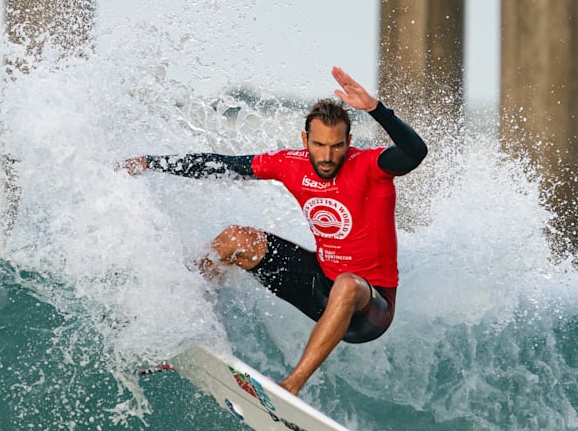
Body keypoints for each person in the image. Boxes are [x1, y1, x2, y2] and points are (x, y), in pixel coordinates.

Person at [120, 67, 427, 396]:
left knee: (348, 284)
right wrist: (150, 163)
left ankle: (291, 386)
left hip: (369, 307)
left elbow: (415, 152)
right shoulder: (290, 163)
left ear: (349, 142)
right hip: (319, 286)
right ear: (304, 140)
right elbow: (221, 164)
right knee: (235, 239)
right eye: (319, 145)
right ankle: (178, 325)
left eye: (337, 146)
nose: (326, 156)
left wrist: (376, 110)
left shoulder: (371, 166)